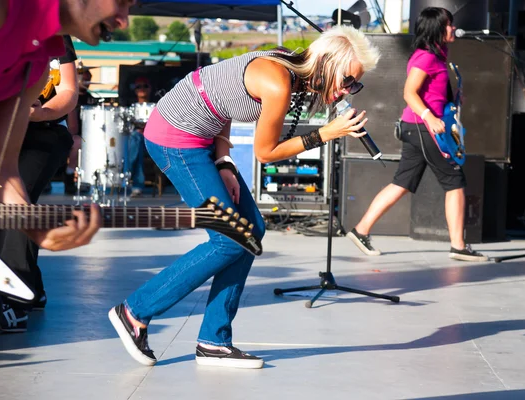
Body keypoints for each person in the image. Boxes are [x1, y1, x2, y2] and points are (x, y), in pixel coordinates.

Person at [109, 25, 380, 369]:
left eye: (355, 84)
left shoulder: (289, 71)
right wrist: (324, 134)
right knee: (227, 241)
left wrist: (222, 160)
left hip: (202, 138)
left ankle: (214, 340)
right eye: (348, 80)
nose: (348, 91)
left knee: (250, 230)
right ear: (328, 62)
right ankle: (135, 312)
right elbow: (266, 152)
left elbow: (218, 92)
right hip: (175, 137)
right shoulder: (278, 80)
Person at [0, 0, 135, 351]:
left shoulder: (39, 63)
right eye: (123, 2)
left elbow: (2, 167)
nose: (125, 20)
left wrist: (37, 229)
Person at [345, 7, 487, 262]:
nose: (453, 28)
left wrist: (451, 100)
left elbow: (430, 94)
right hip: (424, 128)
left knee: (402, 183)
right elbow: (410, 92)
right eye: (448, 25)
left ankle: (360, 230)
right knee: (455, 183)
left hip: (417, 128)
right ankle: (458, 246)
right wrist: (430, 117)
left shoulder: (438, 56)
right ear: (437, 28)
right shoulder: (426, 58)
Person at [0, 35, 79, 333]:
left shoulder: (56, 34)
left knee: (15, 201)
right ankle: (32, 286)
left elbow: (68, 91)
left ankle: (14, 301)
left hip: (43, 132)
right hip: (0, 131)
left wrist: (40, 112)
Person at [65, 66, 100, 194]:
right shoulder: (70, 96)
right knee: (78, 143)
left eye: (88, 79)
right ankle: (69, 176)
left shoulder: (93, 99)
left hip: (91, 136)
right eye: (83, 79)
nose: (86, 82)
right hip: (72, 135)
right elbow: (72, 128)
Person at [126, 76, 152, 196]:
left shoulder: (157, 106)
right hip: (135, 141)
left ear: (150, 88)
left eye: (145, 86)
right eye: (138, 86)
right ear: (135, 90)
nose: (142, 89)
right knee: (136, 140)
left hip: (152, 142)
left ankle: (127, 172)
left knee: (136, 140)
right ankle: (136, 185)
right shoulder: (129, 108)